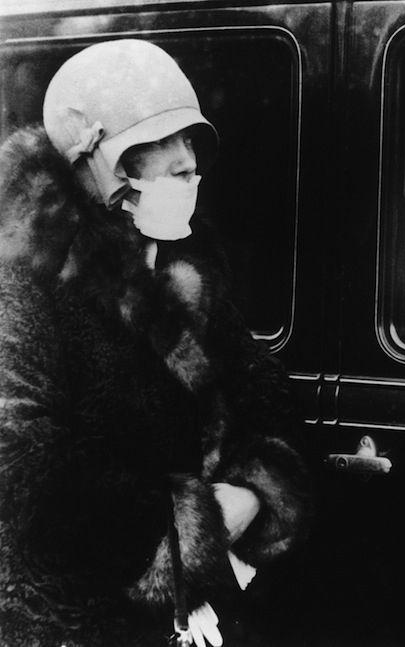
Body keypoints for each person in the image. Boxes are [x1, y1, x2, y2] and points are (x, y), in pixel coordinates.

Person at [0, 39, 311, 646]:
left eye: (192, 154)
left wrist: (256, 490)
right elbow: (22, 461)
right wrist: (186, 525)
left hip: (190, 605)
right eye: (170, 158)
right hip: (76, 615)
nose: (190, 170)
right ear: (105, 169)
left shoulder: (186, 266)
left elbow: (261, 386)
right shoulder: (23, 281)